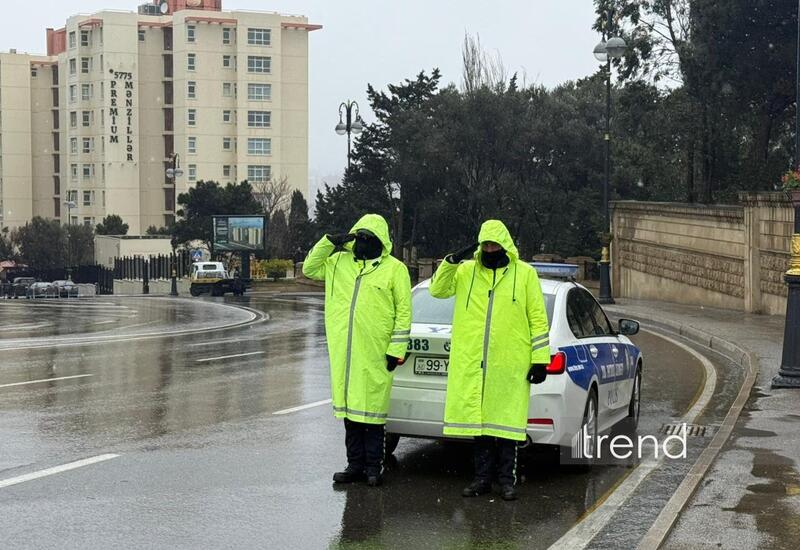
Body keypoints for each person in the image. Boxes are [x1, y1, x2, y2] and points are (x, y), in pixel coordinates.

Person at [429, 220, 550, 501]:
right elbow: (437, 290)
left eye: (495, 244)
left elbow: (538, 318)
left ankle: (506, 481)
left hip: (509, 365)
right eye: (485, 245)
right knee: (480, 427)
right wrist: (451, 261)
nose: (490, 249)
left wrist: (540, 359)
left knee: (507, 427)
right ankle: (481, 479)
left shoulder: (525, 274)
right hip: (473, 364)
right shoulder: (466, 272)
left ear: (505, 245)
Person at [303, 214, 412, 487]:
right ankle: (355, 465)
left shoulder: (394, 269)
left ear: (380, 241)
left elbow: (403, 313)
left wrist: (396, 349)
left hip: (376, 352)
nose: (363, 243)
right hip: (345, 353)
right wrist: (329, 242)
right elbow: (309, 268)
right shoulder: (338, 262)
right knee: (350, 414)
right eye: (359, 237)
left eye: (368, 238)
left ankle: (374, 467)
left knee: (372, 416)